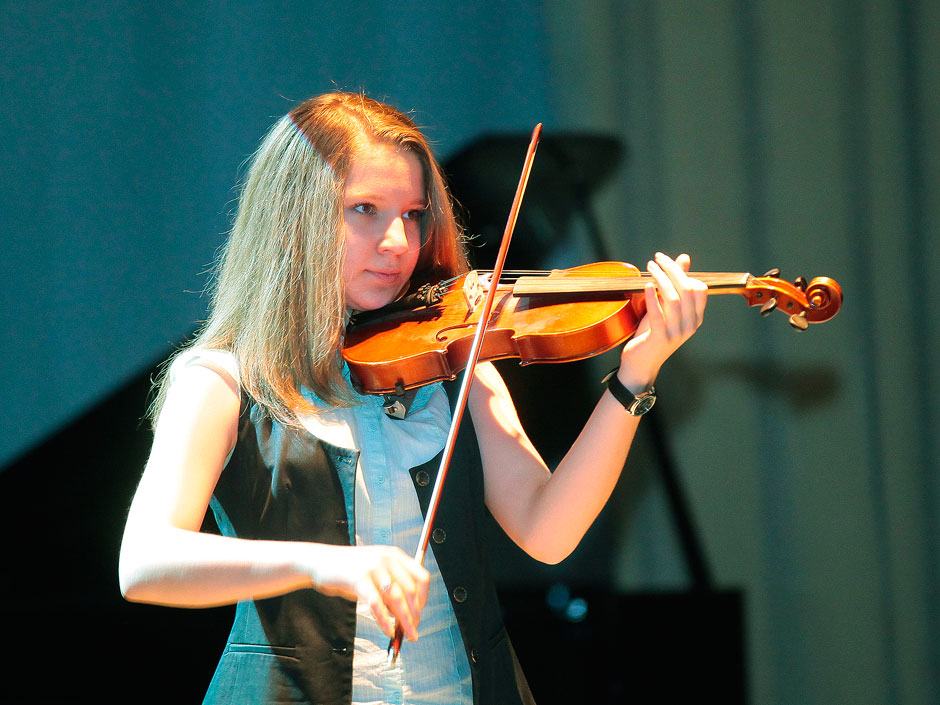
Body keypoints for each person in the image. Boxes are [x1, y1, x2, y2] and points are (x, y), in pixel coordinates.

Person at [119, 92, 708, 705]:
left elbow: (549, 531)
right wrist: (324, 565)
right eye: (365, 209)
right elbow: (143, 563)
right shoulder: (223, 381)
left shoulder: (457, 361)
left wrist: (636, 375)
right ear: (295, 217)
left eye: (414, 214)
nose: (399, 241)